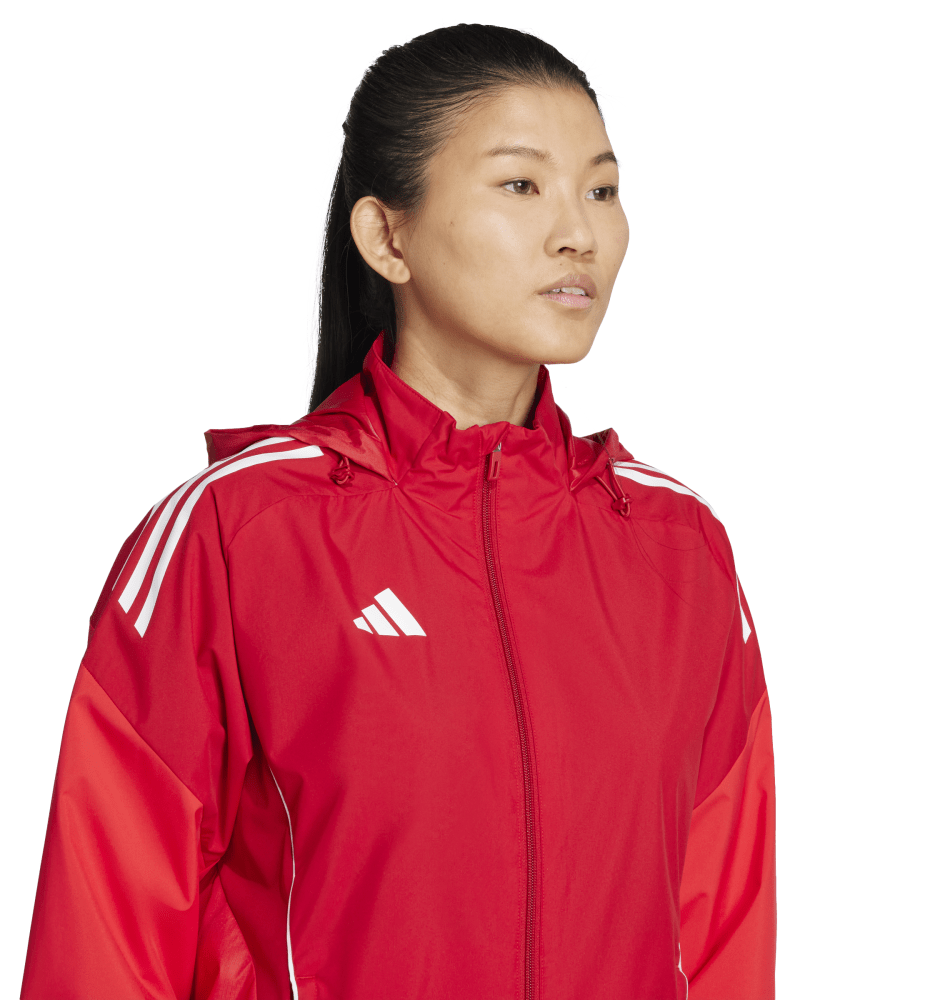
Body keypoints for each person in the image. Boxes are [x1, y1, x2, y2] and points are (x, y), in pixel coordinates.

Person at [22, 23, 775, 1000]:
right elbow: (105, 935)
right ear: (387, 237)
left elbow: (721, 936)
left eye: (600, 190)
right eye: (521, 184)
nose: (579, 234)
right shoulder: (239, 533)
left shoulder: (678, 550)